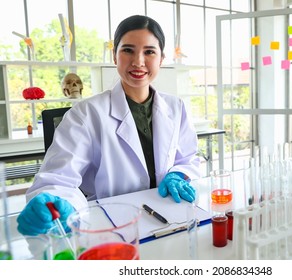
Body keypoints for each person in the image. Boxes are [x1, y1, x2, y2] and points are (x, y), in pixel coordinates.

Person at [17, 15, 200, 236]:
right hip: (111, 224)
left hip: (168, 217)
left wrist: (178, 174)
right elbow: (58, 178)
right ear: (115, 56)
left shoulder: (176, 106)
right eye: (128, 50)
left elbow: (188, 158)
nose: (138, 61)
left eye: (149, 52)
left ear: (161, 58)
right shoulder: (85, 114)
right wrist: (56, 203)